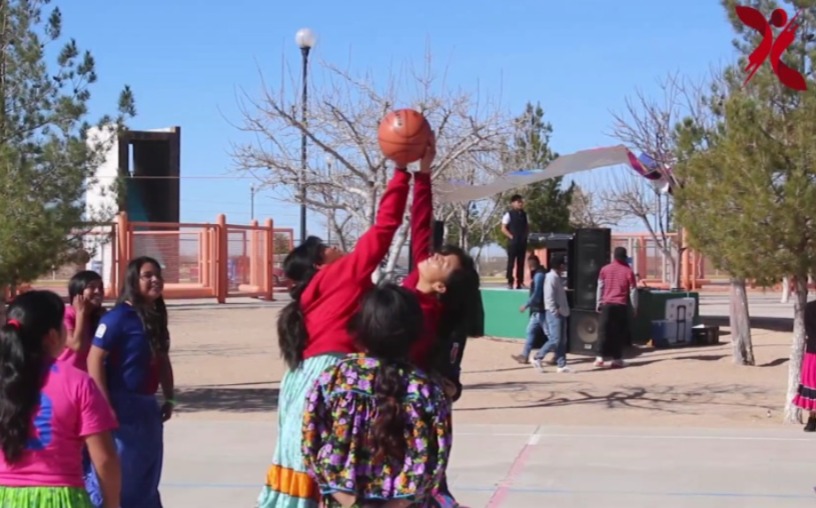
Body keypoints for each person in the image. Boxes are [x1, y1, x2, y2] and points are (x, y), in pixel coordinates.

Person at [257, 138, 437, 508]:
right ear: (320, 262)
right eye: (326, 246)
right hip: (336, 376)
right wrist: (401, 171)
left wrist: (420, 177)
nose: (335, 246)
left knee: (299, 465)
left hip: (303, 379)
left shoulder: (314, 295)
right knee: (335, 474)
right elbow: (386, 227)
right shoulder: (341, 273)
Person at [302, 284, 451, 508]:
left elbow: (311, 443)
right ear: (415, 331)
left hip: (342, 502)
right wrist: (399, 503)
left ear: (361, 326)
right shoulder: (426, 389)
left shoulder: (333, 379)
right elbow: (435, 458)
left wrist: (348, 500)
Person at [0, 290, 120, 508]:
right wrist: (112, 504)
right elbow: (104, 459)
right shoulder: (78, 382)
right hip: (62, 498)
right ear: (53, 336)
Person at [85, 256, 175, 508]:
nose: (155, 280)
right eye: (148, 276)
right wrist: (105, 406)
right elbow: (94, 360)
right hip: (120, 407)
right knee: (118, 475)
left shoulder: (156, 318)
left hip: (147, 409)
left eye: (158, 275)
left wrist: (170, 397)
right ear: (133, 281)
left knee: (147, 475)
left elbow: (162, 359)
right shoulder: (116, 318)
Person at [595, 246, 638, 368]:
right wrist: (634, 307)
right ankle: (617, 359)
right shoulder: (628, 271)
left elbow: (600, 287)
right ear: (624, 257)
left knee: (603, 330)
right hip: (620, 305)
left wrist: (598, 302)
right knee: (617, 333)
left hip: (606, 304)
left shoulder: (604, 269)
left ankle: (599, 357)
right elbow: (633, 291)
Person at [59, 270, 106, 372]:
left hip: (89, 375)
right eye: (91, 287)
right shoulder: (65, 315)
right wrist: (81, 313)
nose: (98, 291)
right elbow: (77, 345)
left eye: (101, 287)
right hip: (68, 374)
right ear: (78, 292)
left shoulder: (99, 315)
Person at [531, 255, 571, 373]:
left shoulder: (557, 277)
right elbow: (549, 297)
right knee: (555, 339)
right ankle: (537, 357)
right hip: (554, 313)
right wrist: (554, 310)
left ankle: (561, 365)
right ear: (560, 266)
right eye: (563, 265)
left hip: (562, 312)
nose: (564, 267)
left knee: (562, 340)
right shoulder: (551, 277)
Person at [512, 255, 548, 365]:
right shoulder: (539, 274)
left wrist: (526, 305)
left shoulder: (539, 275)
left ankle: (556, 356)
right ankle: (524, 356)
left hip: (542, 310)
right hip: (537, 310)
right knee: (530, 331)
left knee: (552, 336)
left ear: (530, 264)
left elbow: (537, 294)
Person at [793, 300, 816, 431]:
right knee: (813, 385)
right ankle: (812, 418)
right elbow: (810, 330)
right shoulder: (811, 307)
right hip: (814, 352)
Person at [500, 194, 528, 290]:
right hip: (513, 243)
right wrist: (511, 236)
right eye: (518, 202)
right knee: (511, 263)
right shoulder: (509, 214)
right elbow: (503, 228)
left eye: (521, 202)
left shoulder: (524, 214)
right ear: (513, 203)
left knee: (521, 263)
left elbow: (528, 227)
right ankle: (510, 282)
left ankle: (520, 282)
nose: (520, 203)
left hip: (522, 242)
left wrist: (525, 236)